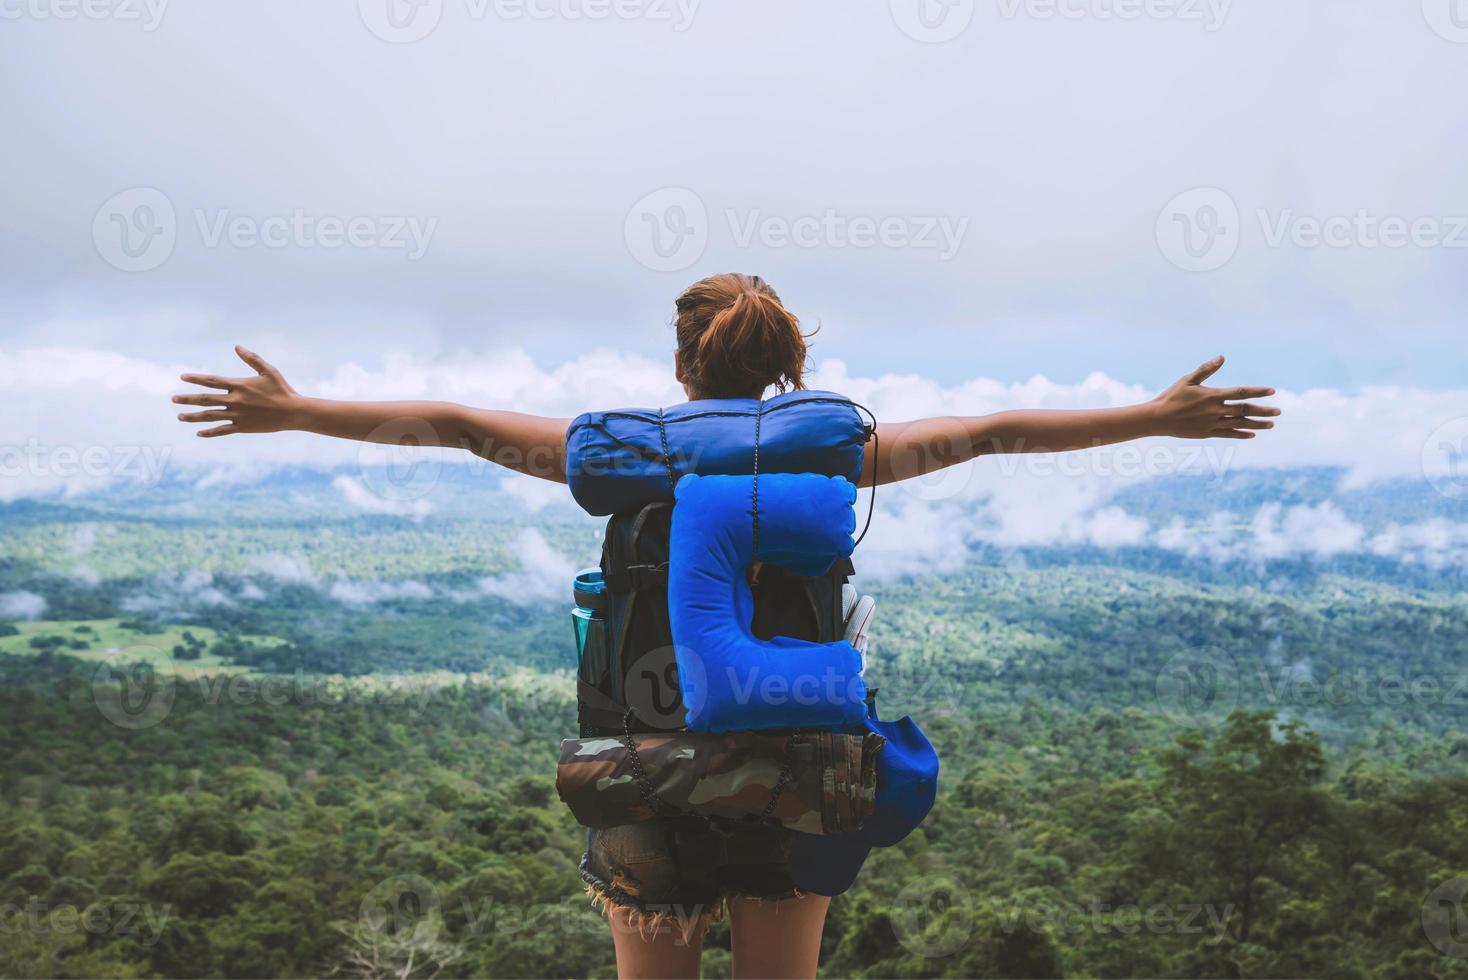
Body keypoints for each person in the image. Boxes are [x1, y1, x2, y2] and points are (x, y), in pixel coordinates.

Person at [174, 272, 1279, 979]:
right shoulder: (831, 450)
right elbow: (987, 431)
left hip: (641, 763)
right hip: (799, 768)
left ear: (678, 366)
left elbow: (458, 425)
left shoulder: (617, 450)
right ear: (789, 367)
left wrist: (296, 407)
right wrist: (1153, 414)